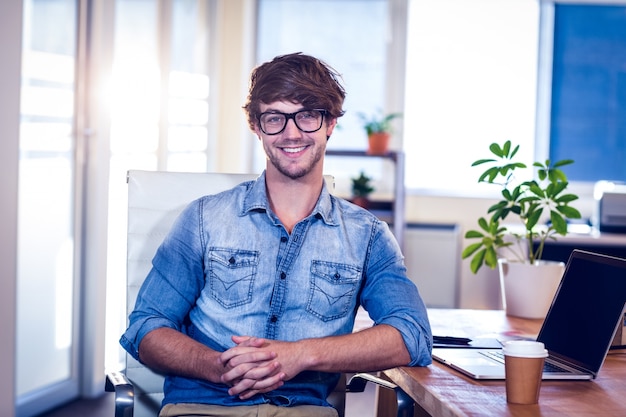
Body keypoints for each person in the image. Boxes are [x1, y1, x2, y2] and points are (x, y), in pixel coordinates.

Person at [120, 52, 432, 417]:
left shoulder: (368, 237)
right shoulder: (203, 218)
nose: (292, 132)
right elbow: (146, 327)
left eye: (308, 116)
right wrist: (220, 366)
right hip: (202, 405)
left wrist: (300, 354)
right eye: (275, 118)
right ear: (256, 125)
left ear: (330, 123)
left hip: (303, 409)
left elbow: (412, 334)